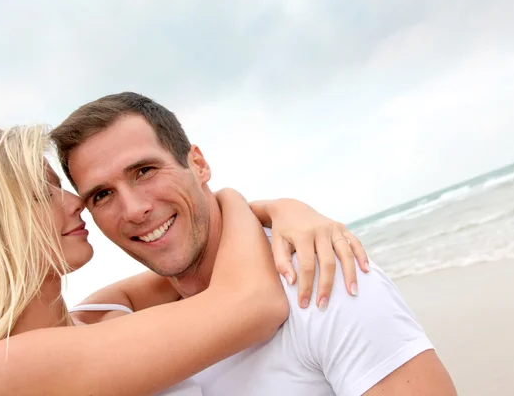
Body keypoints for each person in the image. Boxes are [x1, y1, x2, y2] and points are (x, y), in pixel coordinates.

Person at [51, 91, 458, 395]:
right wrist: (263, 207)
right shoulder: (120, 329)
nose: (135, 209)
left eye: (144, 170)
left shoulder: (319, 280)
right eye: (102, 195)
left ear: (198, 163)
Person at [0, 124, 367, 396]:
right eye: (43, 192)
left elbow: (191, 268)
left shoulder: (96, 317)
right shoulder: (5, 372)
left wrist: (284, 212)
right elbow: (254, 303)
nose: (76, 202)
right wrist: (239, 200)